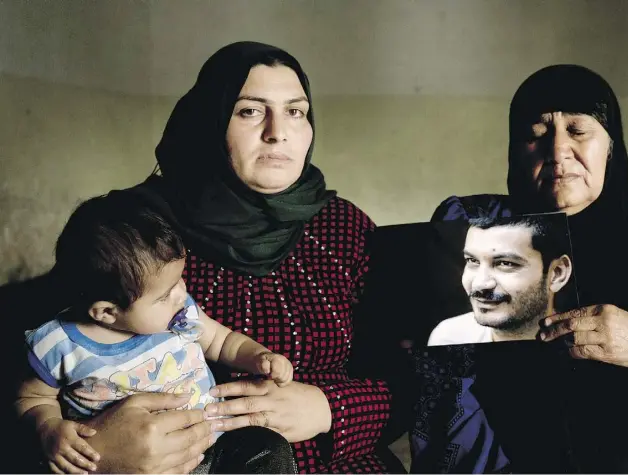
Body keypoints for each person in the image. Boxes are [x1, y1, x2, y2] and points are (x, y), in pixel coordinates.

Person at [49, 41, 397, 474]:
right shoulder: (132, 230)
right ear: (209, 122)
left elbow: (410, 376)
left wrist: (330, 408)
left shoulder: (345, 229)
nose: (278, 131)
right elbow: (50, 360)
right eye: (250, 111)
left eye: (296, 111)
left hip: (336, 465)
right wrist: (101, 451)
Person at [412, 64, 628, 473]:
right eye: (537, 133)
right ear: (515, 149)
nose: (557, 151)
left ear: (610, 145)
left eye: (579, 130)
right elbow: (443, 406)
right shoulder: (475, 231)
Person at [16, 191, 294, 474]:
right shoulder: (58, 345)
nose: (181, 294)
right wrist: (49, 428)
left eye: (179, 280)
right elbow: (32, 398)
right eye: (164, 295)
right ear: (107, 312)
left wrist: (259, 356)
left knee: (268, 448)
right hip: (138, 462)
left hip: (216, 443)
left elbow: (222, 342)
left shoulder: (180, 314)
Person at [428, 213, 574, 346]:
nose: (479, 284)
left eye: (506, 263)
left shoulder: (582, 347)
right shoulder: (448, 337)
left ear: (557, 274)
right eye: (472, 260)